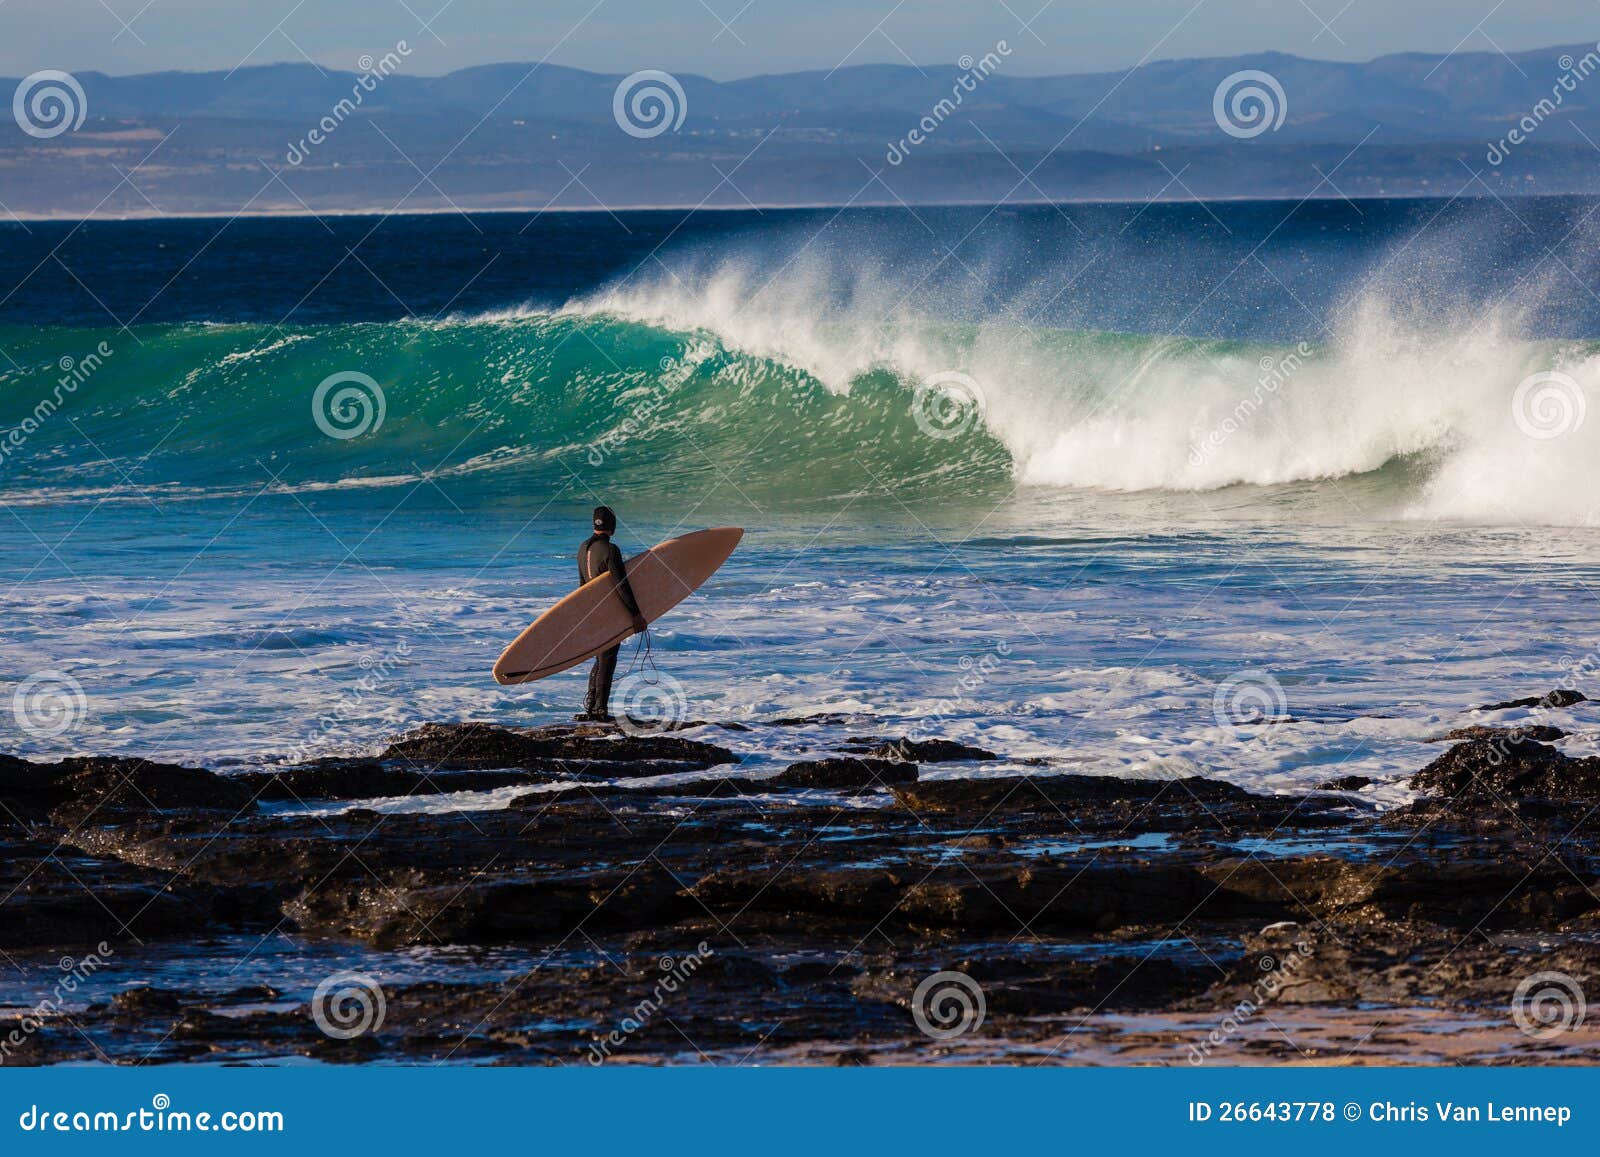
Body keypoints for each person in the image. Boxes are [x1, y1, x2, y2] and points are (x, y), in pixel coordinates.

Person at [575, 505, 648, 722]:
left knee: (601, 657)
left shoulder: (582, 548)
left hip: (591, 611)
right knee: (607, 658)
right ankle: (600, 710)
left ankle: (593, 706)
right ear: (612, 526)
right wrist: (635, 614)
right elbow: (621, 585)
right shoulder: (611, 550)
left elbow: (582, 587)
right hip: (608, 611)